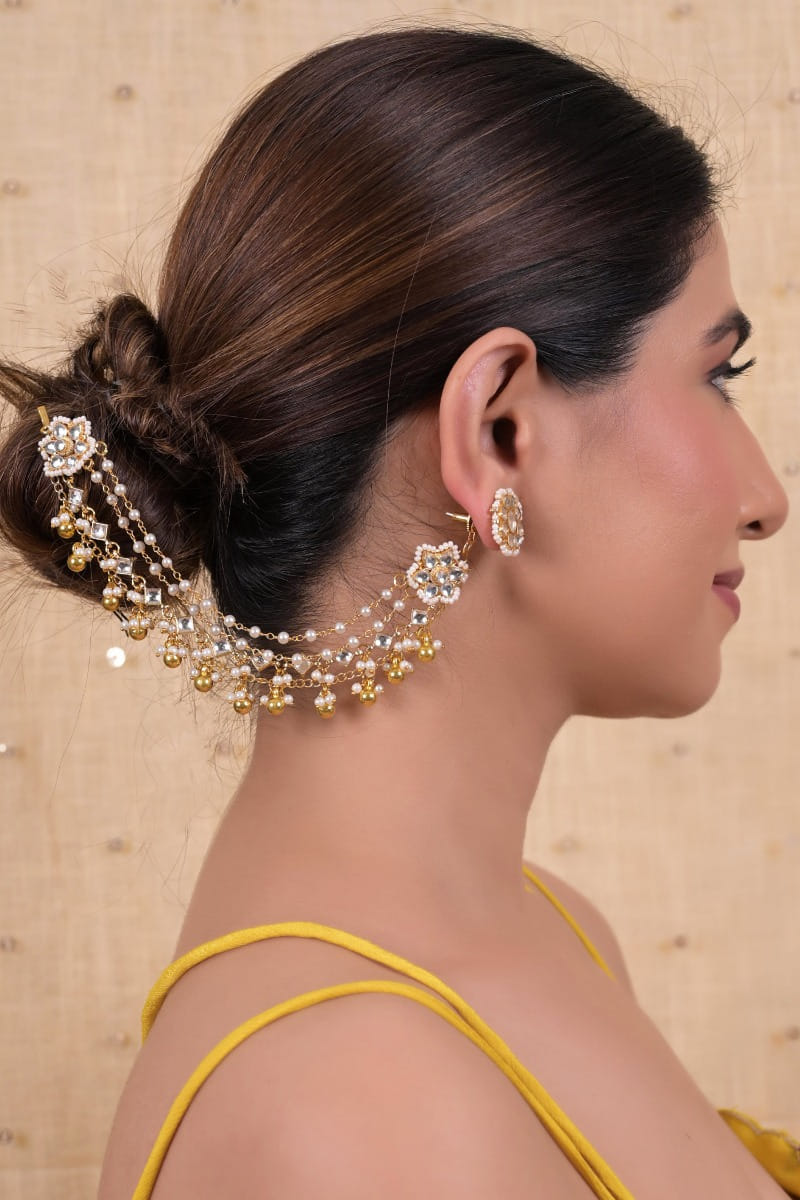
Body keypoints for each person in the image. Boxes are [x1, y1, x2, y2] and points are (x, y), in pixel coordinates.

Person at [0, 24, 797, 1200]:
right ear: (499, 432)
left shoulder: (550, 934)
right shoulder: (366, 1116)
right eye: (713, 375)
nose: (763, 499)